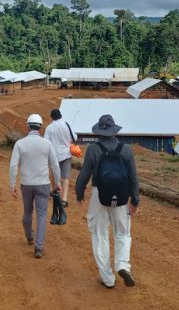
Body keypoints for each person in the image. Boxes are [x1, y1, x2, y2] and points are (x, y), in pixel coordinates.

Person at [75, 114, 139, 289]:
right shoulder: (126, 149)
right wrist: (135, 199)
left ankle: (107, 278)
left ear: (99, 132)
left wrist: (79, 193)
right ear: (114, 131)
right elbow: (133, 176)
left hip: (99, 195)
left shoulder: (93, 149)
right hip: (121, 196)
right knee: (123, 233)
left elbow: (85, 174)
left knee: (99, 235)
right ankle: (123, 266)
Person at [9, 114, 61, 258]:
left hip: (26, 184)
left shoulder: (20, 143)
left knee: (27, 211)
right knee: (42, 215)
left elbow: (13, 165)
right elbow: (55, 165)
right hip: (43, 184)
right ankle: (38, 248)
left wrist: (12, 184)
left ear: (27, 126)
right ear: (40, 127)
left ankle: (29, 236)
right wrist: (57, 183)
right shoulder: (47, 144)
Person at [44, 109, 77, 208]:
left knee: (53, 175)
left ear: (51, 117)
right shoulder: (67, 124)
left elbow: (46, 142)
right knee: (65, 177)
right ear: (60, 115)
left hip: (54, 155)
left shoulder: (49, 127)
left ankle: (56, 193)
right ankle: (65, 199)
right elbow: (74, 138)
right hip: (66, 154)